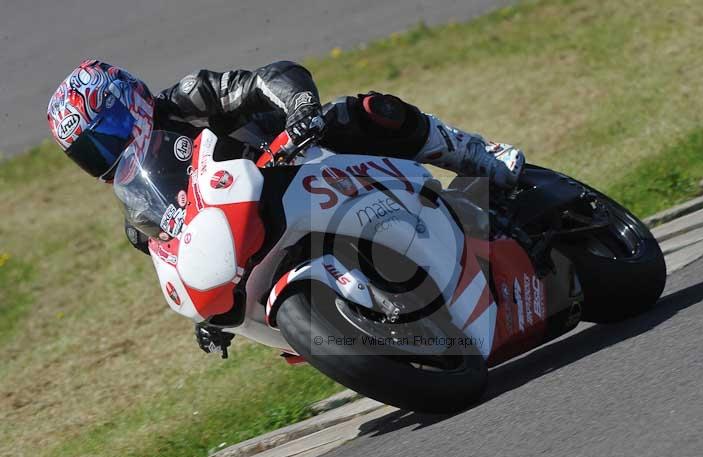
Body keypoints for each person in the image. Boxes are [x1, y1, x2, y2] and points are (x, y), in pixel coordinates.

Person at [46, 58, 526, 355]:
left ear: (127, 100)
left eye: (105, 134)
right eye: (90, 152)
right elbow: (178, 251)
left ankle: (481, 156)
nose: (105, 153)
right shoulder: (138, 214)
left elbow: (265, 79)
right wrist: (209, 317)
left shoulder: (189, 98)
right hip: (255, 231)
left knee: (367, 113)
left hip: (296, 159)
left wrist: (298, 111)